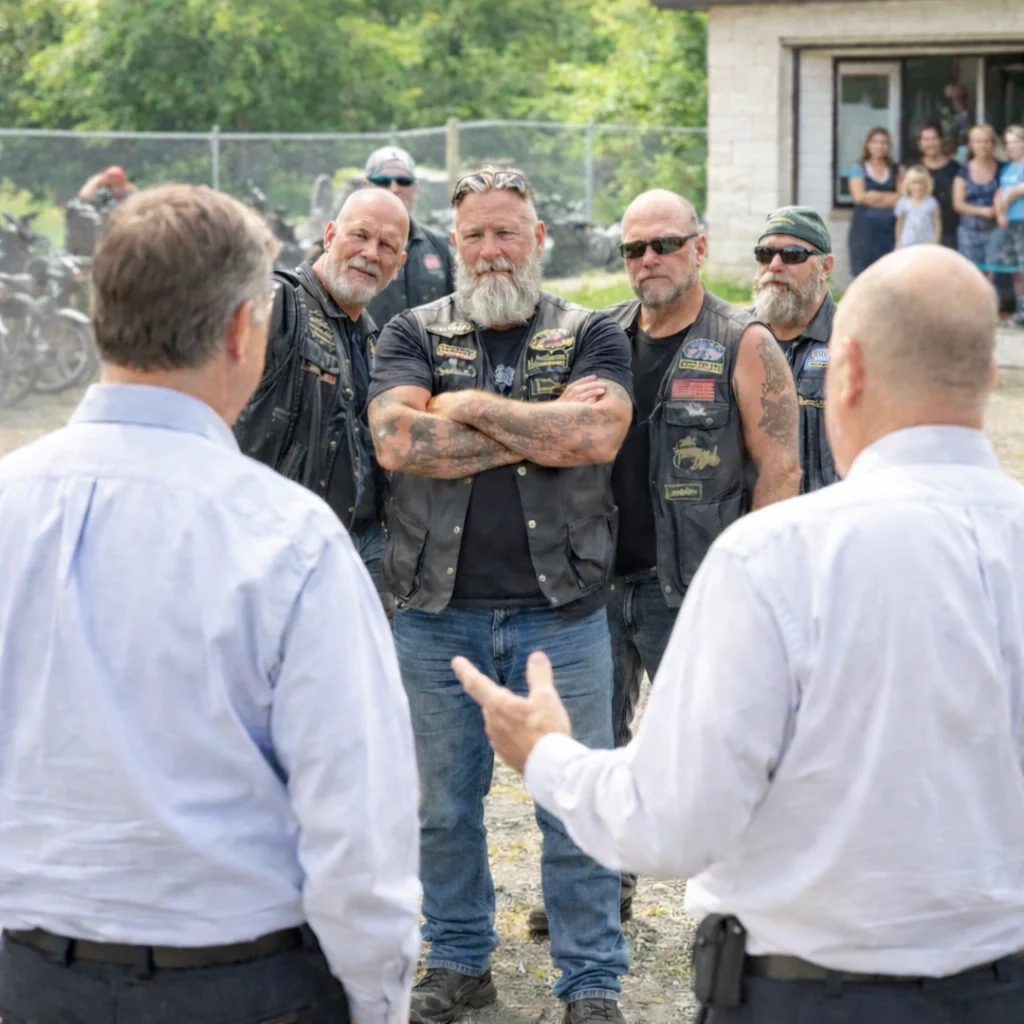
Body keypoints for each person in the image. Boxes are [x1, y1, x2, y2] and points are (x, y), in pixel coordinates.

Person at [454, 244, 1024, 1024]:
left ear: (846, 371)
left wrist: (547, 753)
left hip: (807, 993)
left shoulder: (778, 556)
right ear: (989, 377)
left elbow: (668, 824)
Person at [0, 185, 421, 1024]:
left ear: (95, 314)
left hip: (27, 975)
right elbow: (357, 830)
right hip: (242, 981)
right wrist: (377, 999)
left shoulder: (9, 502)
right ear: (241, 330)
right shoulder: (293, 540)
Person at [368, 165, 633, 1024]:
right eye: (474, 234)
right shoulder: (409, 331)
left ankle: (591, 982)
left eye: (506, 233)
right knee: (443, 808)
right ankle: (457, 959)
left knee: (576, 804)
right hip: (435, 615)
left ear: (537, 240)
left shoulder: (590, 332)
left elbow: (597, 434)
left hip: (562, 615)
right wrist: (539, 431)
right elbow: (400, 444)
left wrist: (470, 406)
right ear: (456, 243)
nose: (489, 251)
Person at [518, 190, 800, 942]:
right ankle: (597, 893)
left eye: (665, 244)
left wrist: (754, 585)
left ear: (699, 249)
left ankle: (746, 905)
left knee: (721, 741)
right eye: (635, 249)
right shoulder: (597, 334)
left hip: (696, 587)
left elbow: (778, 468)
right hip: (596, 582)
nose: (649, 260)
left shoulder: (744, 340)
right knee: (590, 743)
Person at [233, 188, 409, 606]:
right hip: (280, 547)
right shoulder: (278, 304)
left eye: (386, 245)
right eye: (359, 235)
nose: (370, 252)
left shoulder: (372, 338)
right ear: (329, 235)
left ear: (399, 265)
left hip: (361, 546)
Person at [752, 206, 839, 492]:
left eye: (792, 256)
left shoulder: (852, 341)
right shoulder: (736, 338)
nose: (775, 265)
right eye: (765, 254)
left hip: (829, 519)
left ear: (825, 267)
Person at [363, 146, 455, 330]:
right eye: (383, 181)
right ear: (366, 186)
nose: (395, 188)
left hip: (428, 357)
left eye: (404, 181)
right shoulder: (342, 244)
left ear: (415, 186)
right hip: (367, 356)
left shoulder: (441, 247)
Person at [848, 127, 901, 276]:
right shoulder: (858, 167)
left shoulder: (896, 170)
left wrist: (872, 196)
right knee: (862, 276)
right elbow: (859, 197)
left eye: (884, 143)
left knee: (888, 275)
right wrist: (887, 197)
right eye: (875, 142)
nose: (879, 146)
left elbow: (901, 198)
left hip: (889, 234)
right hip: (864, 234)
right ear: (868, 145)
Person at [954, 124, 1004, 268]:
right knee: (972, 275)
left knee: (994, 274)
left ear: (993, 144)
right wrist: (982, 211)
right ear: (971, 145)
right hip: (968, 233)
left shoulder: (1003, 168)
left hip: (996, 232)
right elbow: (958, 204)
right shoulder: (962, 171)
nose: (983, 146)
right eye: (978, 141)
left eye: (987, 141)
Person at [992, 125, 1024, 327]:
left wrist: (1003, 208)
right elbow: (1001, 192)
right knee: (1015, 269)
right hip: (1010, 223)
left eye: (1015, 141)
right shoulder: (1007, 168)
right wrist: (999, 212)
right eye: (1008, 142)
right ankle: (1021, 311)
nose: (1011, 146)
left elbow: (1016, 191)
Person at [916, 122, 960, 249]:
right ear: (920, 143)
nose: (930, 143)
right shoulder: (914, 168)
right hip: (921, 231)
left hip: (950, 232)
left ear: (941, 140)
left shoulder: (955, 168)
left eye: (934, 139)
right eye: (926, 139)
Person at [895, 166, 941, 249]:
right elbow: (899, 224)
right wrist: (898, 243)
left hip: (927, 244)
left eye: (921, 183)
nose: (918, 187)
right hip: (907, 244)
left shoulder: (931, 202)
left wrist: (936, 242)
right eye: (914, 183)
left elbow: (936, 223)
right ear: (908, 185)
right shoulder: (903, 202)